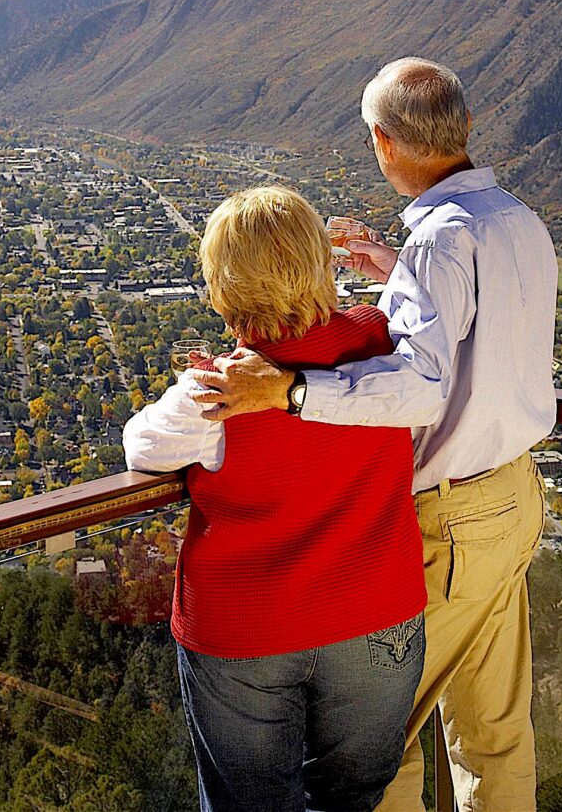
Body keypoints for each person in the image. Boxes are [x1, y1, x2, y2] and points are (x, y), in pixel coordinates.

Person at [193, 58, 558, 812]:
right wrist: (397, 270)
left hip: (452, 522)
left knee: (375, 745)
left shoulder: (439, 243)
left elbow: (422, 386)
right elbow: (481, 331)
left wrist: (291, 390)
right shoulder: (515, 220)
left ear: (383, 143)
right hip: (515, 496)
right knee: (494, 731)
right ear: (464, 127)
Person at [124, 185, 426, 812]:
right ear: (319, 261)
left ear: (222, 286)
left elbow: (142, 448)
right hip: (376, 612)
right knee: (353, 798)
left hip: (246, 629)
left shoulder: (217, 391)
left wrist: (194, 385)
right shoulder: (382, 342)